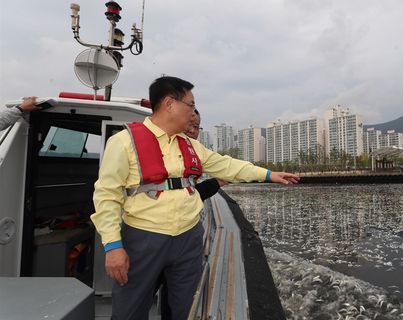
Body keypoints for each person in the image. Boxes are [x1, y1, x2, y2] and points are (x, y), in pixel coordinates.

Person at [91, 76, 299, 320]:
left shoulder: (189, 145)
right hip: (144, 239)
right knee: (130, 310)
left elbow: (226, 165)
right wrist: (113, 246)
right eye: (190, 105)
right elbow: (107, 196)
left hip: (188, 238)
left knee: (188, 309)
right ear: (169, 103)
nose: (193, 112)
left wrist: (268, 175)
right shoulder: (124, 142)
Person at [156, 108, 227, 320]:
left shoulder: (192, 154)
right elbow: (181, 195)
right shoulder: (167, 154)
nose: (194, 132)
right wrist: (216, 183)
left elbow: (190, 194)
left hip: (181, 239)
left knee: (174, 292)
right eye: (190, 126)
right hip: (157, 237)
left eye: (197, 127)